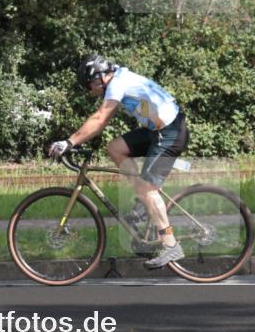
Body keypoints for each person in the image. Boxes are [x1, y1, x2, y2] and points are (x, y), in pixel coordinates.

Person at [47, 54, 189, 268]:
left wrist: (69, 142)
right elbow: (102, 121)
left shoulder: (117, 83)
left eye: (89, 85)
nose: (90, 91)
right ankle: (143, 205)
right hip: (158, 130)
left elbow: (100, 118)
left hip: (170, 132)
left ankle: (170, 244)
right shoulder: (120, 80)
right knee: (115, 148)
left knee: (148, 189)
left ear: (98, 77)